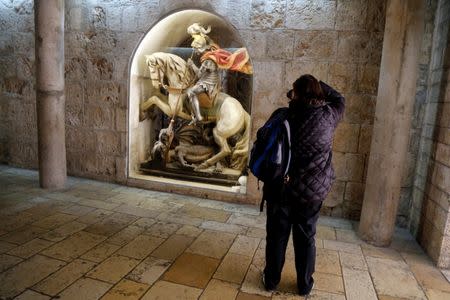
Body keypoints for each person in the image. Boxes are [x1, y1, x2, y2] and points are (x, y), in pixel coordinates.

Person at [262, 74, 345, 296]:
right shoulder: (329, 116)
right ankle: (304, 285)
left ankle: (271, 280)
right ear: (317, 93)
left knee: (277, 237)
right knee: (306, 237)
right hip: (312, 192)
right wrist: (319, 85)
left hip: (281, 188)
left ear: (295, 93)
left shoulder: (284, 116)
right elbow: (339, 99)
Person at [185, 23, 252, 124]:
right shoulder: (210, 55)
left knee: (190, 92)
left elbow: (199, 75)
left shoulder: (208, 60)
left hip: (208, 83)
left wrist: (191, 65)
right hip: (206, 80)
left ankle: (198, 117)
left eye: (196, 48)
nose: (194, 49)